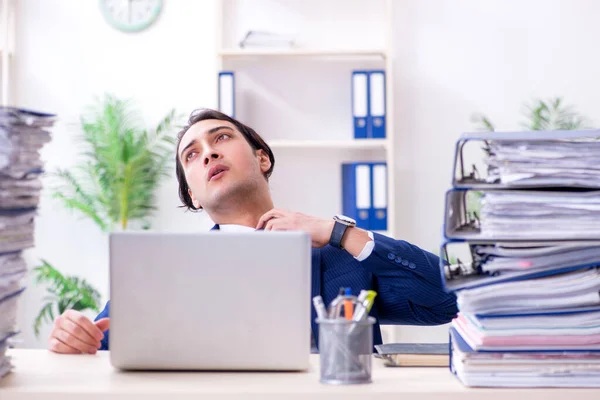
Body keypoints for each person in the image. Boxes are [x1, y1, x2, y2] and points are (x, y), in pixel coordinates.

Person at [47, 109, 457, 354]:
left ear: (262, 158)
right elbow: (96, 344)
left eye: (221, 138)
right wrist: (72, 337)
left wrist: (336, 231)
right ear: (193, 193)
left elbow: (447, 300)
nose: (208, 152)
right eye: (192, 155)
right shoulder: (164, 271)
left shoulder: (339, 257)